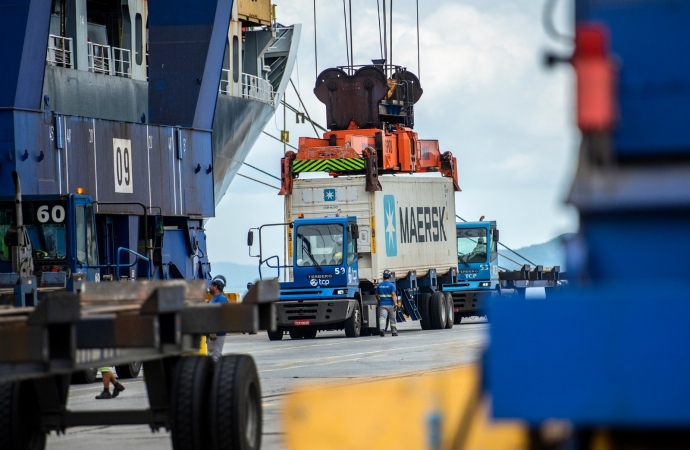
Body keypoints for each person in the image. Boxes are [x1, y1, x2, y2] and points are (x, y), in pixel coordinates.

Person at [207, 275, 228, 362]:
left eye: (211, 285)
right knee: (213, 356)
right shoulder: (214, 299)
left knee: (215, 357)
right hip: (212, 334)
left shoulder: (221, 299)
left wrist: (214, 330)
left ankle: (217, 374)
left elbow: (220, 314)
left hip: (217, 334)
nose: (210, 287)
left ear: (216, 287)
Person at [376, 269, 399, 337]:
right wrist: (395, 303)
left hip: (383, 304)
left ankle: (382, 329)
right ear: (389, 276)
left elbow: (376, 295)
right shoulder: (392, 285)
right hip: (391, 305)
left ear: (383, 276)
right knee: (392, 319)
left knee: (383, 318)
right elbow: (393, 294)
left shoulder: (379, 285)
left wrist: (379, 300)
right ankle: (394, 332)